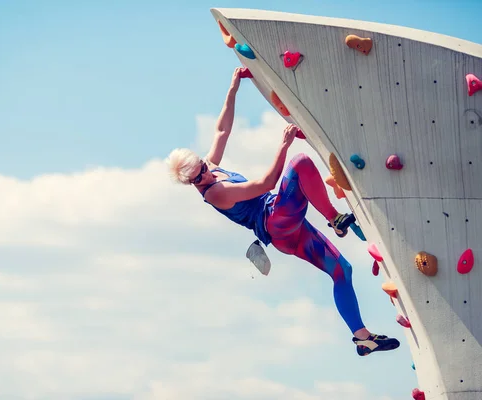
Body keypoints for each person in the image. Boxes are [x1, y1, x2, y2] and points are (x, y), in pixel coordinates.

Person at [166, 67, 400, 357]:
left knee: (342, 271)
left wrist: (234, 86)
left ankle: (362, 338)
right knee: (300, 162)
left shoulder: (210, 170)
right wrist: (284, 144)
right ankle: (335, 219)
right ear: (192, 183)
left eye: (203, 165)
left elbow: (222, 130)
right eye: (200, 175)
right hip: (276, 221)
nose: (207, 172)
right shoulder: (215, 193)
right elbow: (266, 183)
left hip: (285, 233)